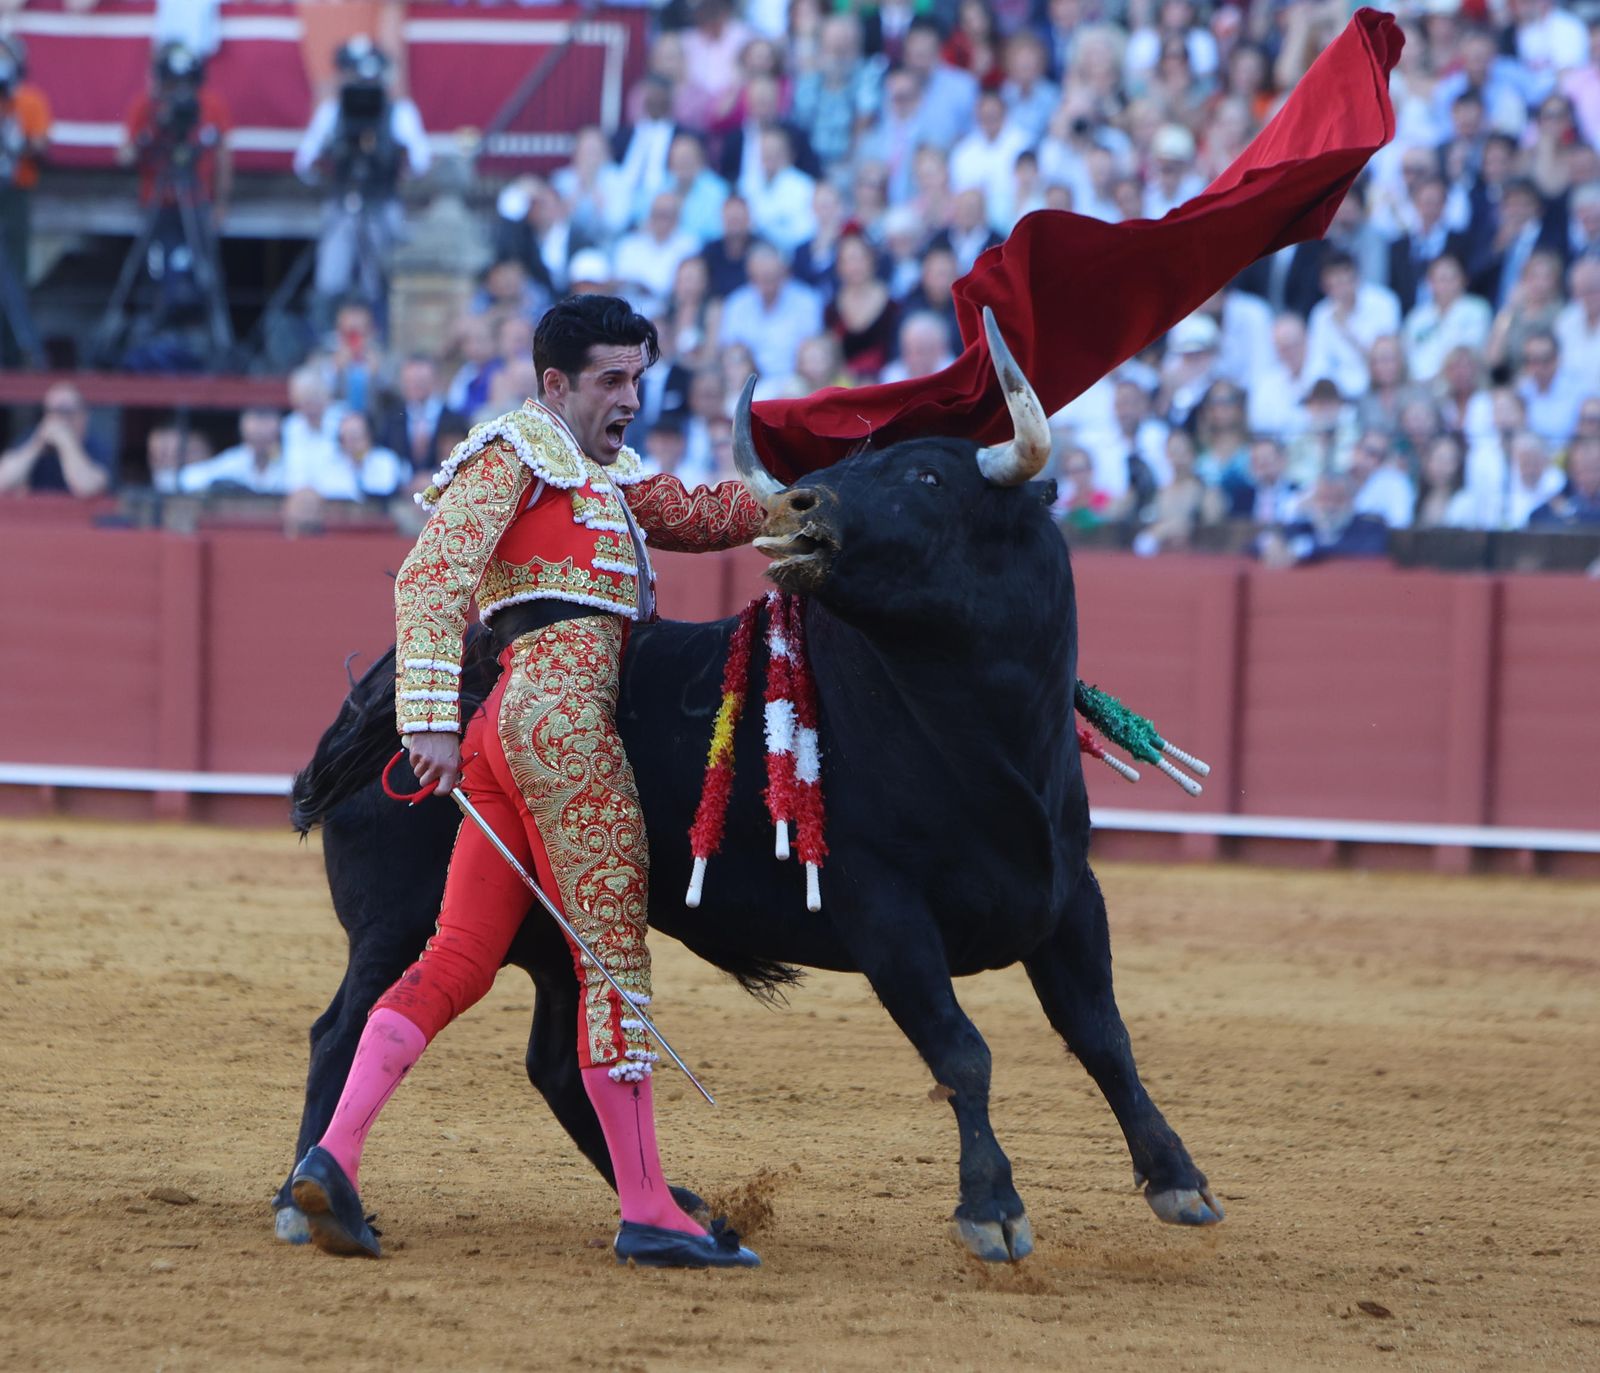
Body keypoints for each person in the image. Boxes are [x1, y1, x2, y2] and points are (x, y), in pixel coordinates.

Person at [289, 295, 766, 1268]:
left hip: (510, 735)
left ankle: (333, 1155)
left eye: (638, 379)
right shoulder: (514, 452)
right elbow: (428, 577)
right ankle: (649, 1207)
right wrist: (426, 716)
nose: (630, 398)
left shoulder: (606, 474)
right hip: (562, 726)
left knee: (457, 957)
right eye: (611, 380)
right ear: (555, 383)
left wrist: (802, 500)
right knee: (611, 962)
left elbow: (703, 513)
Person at [293, 37, 429, 328]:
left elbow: (421, 162)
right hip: (342, 203)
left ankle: (379, 334)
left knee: (378, 276)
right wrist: (329, 165)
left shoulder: (400, 112)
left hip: (382, 202)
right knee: (331, 276)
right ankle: (328, 337)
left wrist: (395, 160)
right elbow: (304, 163)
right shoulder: (332, 112)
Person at [0, 34, 51, 365]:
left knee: (14, 271)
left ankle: (15, 352)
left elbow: (42, 146)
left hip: (15, 192)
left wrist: (18, 141)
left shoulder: (29, 100)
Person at [0, 383, 111, 497]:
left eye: (66, 411)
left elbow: (87, 488)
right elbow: (3, 482)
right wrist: (37, 444)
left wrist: (66, 443)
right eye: (52, 411)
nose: (59, 418)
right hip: (38, 507)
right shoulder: (33, 437)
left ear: (83, 414)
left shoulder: (96, 445)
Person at [179, 406, 288, 494]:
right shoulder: (234, 461)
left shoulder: (291, 460)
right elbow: (190, 478)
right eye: (256, 420)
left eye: (266, 420)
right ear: (242, 428)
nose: (261, 430)